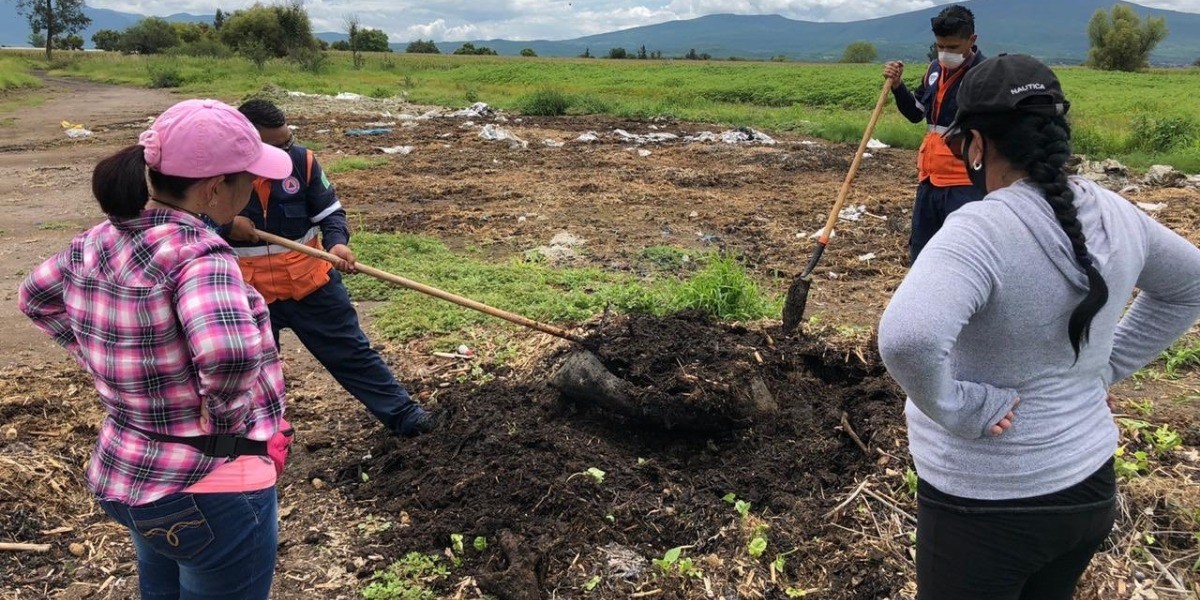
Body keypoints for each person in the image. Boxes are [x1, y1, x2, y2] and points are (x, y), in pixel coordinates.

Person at [877, 54, 1200, 600]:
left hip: (987, 505)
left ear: (975, 144)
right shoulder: (1117, 212)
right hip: (1087, 488)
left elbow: (908, 338)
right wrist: (1103, 368)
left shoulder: (980, 230)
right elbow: (1190, 284)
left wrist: (960, 408)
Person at [19, 99, 294, 599]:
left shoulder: (98, 240)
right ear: (215, 188)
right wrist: (230, 430)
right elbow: (228, 355)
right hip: (209, 485)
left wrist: (100, 360)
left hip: (131, 472)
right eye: (248, 179)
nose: (254, 191)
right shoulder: (201, 256)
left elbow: (35, 297)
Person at [223, 98, 435, 437]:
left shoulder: (302, 162)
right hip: (247, 294)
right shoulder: (213, 177)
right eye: (274, 146)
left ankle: (405, 417)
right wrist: (225, 225)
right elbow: (187, 224)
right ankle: (255, 440)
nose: (285, 152)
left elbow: (330, 213)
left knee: (350, 352)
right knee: (249, 371)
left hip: (309, 283)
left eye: (287, 142)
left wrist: (337, 242)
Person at [883, 4, 986, 262]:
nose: (945, 53)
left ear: (972, 40)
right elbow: (916, 113)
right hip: (929, 178)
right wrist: (897, 87)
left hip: (965, 184)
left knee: (960, 256)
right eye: (940, 46)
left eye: (952, 47)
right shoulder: (933, 71)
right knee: (921, 254)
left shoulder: (984, 76)